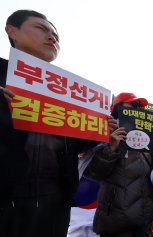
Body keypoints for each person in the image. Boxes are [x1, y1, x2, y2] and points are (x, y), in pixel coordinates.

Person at [0, 10, 97, 237]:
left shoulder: (70, 92)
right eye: (42, 29)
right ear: (11, 30)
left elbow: (74, 147)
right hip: (7, 202)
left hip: (55, 203)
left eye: (56, 35)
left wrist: (99, 132)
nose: (53, 37)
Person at [83, 92, 153, 236]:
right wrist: (111, 147)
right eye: (133, 105)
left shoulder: (145, 137)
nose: (137, 110)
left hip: (141, 218)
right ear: (117, 109)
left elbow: (152, 173)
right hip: (116, 222)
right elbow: (93, 173)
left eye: (139, 107)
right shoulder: (104, 130)